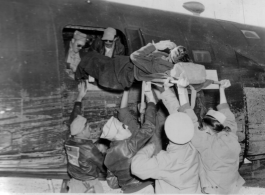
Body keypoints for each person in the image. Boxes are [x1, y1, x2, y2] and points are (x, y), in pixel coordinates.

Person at [131, 77, 201, 194]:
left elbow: (136, 167)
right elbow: (180, 115)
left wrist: (148, 149)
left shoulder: (165, 161)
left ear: (166, 135)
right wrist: (166, 90)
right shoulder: (195, 143)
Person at [189, 80, 245, 194]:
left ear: (208, 128)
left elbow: (191, 121)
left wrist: (180, 91)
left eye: (202, 126)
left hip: (214, 189)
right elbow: (227, 114)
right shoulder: (231, 134)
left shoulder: (206, 143)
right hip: (233, 185)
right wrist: (222, 89)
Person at [100, 85, 157, 193]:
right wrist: (151, 102)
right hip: (144, 187)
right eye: (122, 126)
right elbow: (149, 127)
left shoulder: (108, 157)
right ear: (117, 135)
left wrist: (125, 183)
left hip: (127, 191)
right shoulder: (129, 144)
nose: (125, 126)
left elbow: (112, 183)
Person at [65, 81, 107, 193]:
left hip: (74, 182)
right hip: (89, 184)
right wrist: (103, 151)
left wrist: (79, 97)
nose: (91, 130)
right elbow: (104, 166)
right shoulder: (89, 148)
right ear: (82, 132)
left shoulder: (69, 139)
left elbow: (74, 120)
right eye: (88, 128)